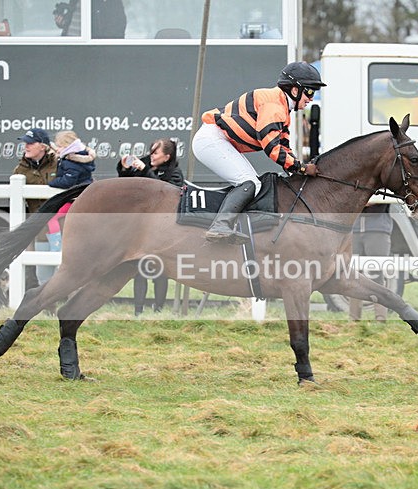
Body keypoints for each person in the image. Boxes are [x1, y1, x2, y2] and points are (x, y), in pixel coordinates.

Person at [192, 61, 325, 245]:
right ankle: (220, 226)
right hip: (211, 140)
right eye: (309, 92)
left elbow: (283, 145)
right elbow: (272, 148)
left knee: (252, 183)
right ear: (295, 90)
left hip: (218, 139)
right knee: (249, 183)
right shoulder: (274, 105)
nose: (311, 98)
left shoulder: (281, 106)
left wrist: (295, 167)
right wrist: (301, 169)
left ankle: (228, 224)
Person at [117, 139, 183, 315]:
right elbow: (126, 185)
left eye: (156, 153)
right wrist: (124, 168)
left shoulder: (174, 172)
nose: (151, 156)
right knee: (139, 269)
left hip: (161, 228)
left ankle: (158, 310)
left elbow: (167, 193)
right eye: (151, 152)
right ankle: (138, 310)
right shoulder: (143, 164)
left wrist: (145, 171)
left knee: (160, 270)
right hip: (139, 226)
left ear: (167, 156)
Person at [13, 128, 57, 289]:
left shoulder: (59, 164)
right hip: (38, 226)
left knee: (62, 264)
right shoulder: (21, 169)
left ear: (43, 146)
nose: (26, 146)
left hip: (60, 224)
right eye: (25, 143)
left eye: (31, 143)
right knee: (42, 269)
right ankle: (46, 303)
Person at [44, 130, 95, 257]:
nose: (57, 149)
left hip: (74, 198)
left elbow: (68, 181)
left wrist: (52, 183)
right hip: (81, 197)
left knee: (52, 218)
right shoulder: (79, 159)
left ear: (68, 146)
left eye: (60, 146)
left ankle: (56, 248)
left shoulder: (71, 162)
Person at [349, 203, 393, 322]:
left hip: (378, 229)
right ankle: (354, 318)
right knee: (353, 274)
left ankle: (380, 317)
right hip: (354, 228)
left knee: (377, 273)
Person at [54, 0, 125, 38]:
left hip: (89, 50)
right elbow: (73, 18)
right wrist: (62, 22)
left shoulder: (112, 2)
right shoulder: (75, 1)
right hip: (70, 42)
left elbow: (118, 25)